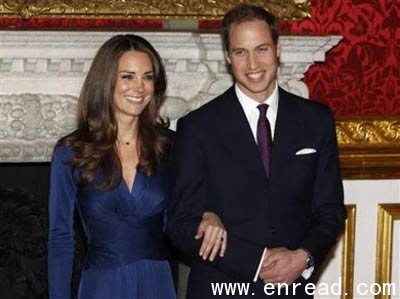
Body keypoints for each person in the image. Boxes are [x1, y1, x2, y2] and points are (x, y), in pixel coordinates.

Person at [167, 4, 346, 298]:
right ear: (228, 57)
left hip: (293, 288)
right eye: (240, 52)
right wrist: (256, 261)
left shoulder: (316, 120)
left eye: (261, 49)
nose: (252, 63)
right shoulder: (197, 126)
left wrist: (302, 258)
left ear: (277, 49)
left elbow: (329, 210)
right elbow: (180, 226)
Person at [47, 34, 226, 299]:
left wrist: (210, 214)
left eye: (148, 77)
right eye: (127, 76)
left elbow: (185, 213)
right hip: (101, 285)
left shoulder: (169, 146)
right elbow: (60, 239)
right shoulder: (71, 152)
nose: (139, 87)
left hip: (158, 283)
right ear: (106, 81)